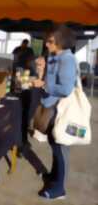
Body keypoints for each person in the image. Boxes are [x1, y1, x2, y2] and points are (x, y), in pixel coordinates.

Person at [32, 25, 77, 200]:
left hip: (62, 109)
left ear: (59, 42)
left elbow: (65, 89)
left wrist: (43, 84)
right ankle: (54, 176)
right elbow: (47, 78)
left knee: (61, 148)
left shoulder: (67, 60)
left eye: (50, 41)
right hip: (51, 106)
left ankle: (60, 189)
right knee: (54, 143)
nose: (46, 44)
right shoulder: (53, 57)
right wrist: (42, 69)